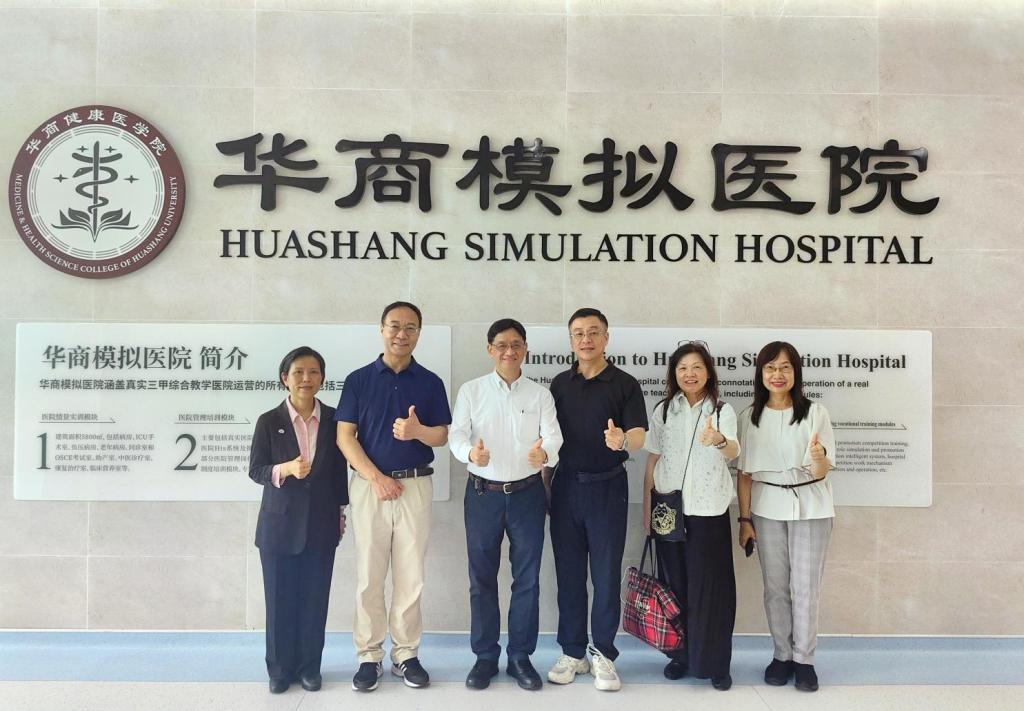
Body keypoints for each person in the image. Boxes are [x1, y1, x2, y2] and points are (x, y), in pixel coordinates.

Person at [335, 301, 451, 692]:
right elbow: (344, 437)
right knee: (369, 575)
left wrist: (418, 432)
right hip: (370, 487)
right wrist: (376, 478)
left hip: (415, 485)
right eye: (395, 326)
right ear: (382, 329)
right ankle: (369, 656)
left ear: (419, 333)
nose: (402, 334)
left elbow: (441, 435)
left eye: (410, 327)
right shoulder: (358, 380)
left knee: (411, 575)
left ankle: (405, 653)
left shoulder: (430, 382)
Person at [450, 318, 563, 691]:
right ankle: (485, 657)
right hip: (483, 494)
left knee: (527, 580)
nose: (509, 351)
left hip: (528, 494)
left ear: (525, 348)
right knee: (481, 578)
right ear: (490, 350)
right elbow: (457, 435)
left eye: (516, 344)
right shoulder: (472, 391)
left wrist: (544, 453)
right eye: (501, 345)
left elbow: (553, 436)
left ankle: (520, 657)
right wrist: (471, 453)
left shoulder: (540, 395)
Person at [545, 307, 648, 692]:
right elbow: (548, 439)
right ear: (571, 340)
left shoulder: (624, 383)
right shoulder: (559, 384)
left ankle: (603, 652)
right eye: (578, 333)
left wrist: (623, 440)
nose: (585, 339)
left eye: (593, 332)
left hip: (607, 489)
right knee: (569, 575)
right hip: (566, 488)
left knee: (605, 576)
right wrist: (545, 486)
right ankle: (573, 652)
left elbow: (639, 433)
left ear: (606, 337)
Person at [736, 341, 836, 693]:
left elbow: (822, 471)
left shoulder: (815, 413)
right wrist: (744, 521)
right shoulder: (749, 416)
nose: (777, 375)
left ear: (796, 372)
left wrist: (818, 457)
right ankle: (782, 655)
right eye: (770, 368)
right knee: (775, 588)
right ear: (760, 373)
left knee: (806, 587)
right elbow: (744, 475)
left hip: (811, 506)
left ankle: (804, 659)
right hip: (766, 508)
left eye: (785, 368)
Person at [249, 346, 349, 695]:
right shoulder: (269, 421)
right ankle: (279, 670)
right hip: (278, 525)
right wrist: (286, 469)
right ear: (285, 378)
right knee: (279, 601)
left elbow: (339, 473)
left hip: (321, 523)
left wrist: (340, 512)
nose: (306, 379)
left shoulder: (335, 419)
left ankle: (310, 668)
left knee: (314, 600)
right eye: (298, 372)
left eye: (313, 372)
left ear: (322, 378)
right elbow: (256, 470)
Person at [642, 341, 739, 691]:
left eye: (697, 367)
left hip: (708, 513)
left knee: (711, 591)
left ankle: (716, 664)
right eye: (683, 368)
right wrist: (647, 511)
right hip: (669, 512)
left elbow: (733, 450)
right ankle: (680, 656)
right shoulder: (665, 410)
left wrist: (718, 439)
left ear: (708, 372)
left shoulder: (722, 410)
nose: (690, 374)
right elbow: (653, 459)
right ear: (674, 374)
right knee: (675, 587)